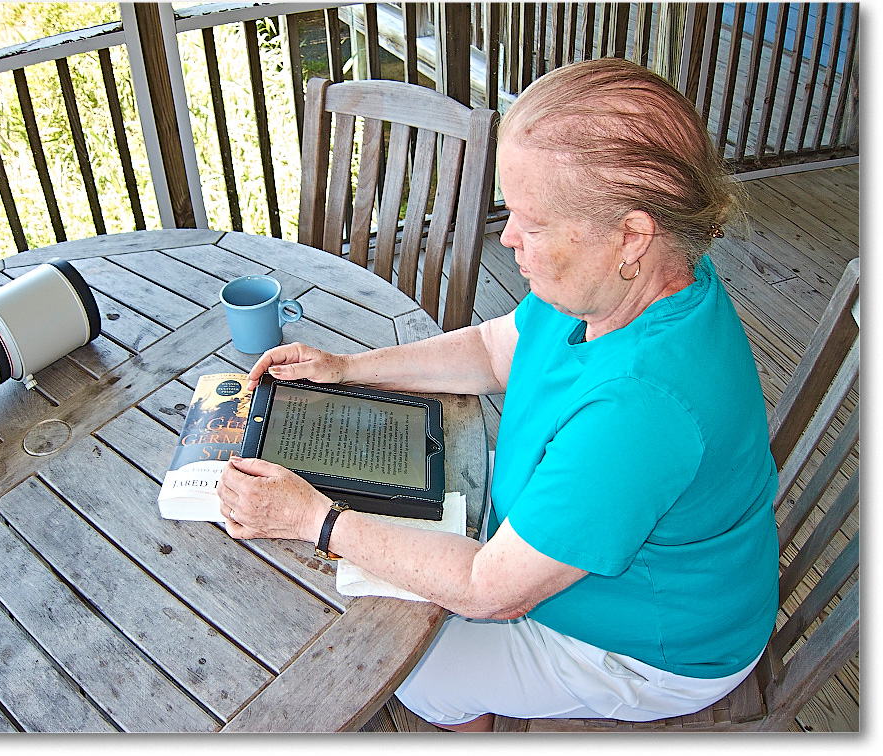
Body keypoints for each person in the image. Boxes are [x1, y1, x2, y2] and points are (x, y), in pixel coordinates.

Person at [216, 58, 779, 731]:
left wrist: (316, 520)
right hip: (553, 552)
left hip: (653, 646)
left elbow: (489, 590)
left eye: (532, 225)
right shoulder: (627, 283)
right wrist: (348, 368)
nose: (509, 237)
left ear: (631, 234)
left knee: (406, 669)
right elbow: (492, 350)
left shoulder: (642, 407)